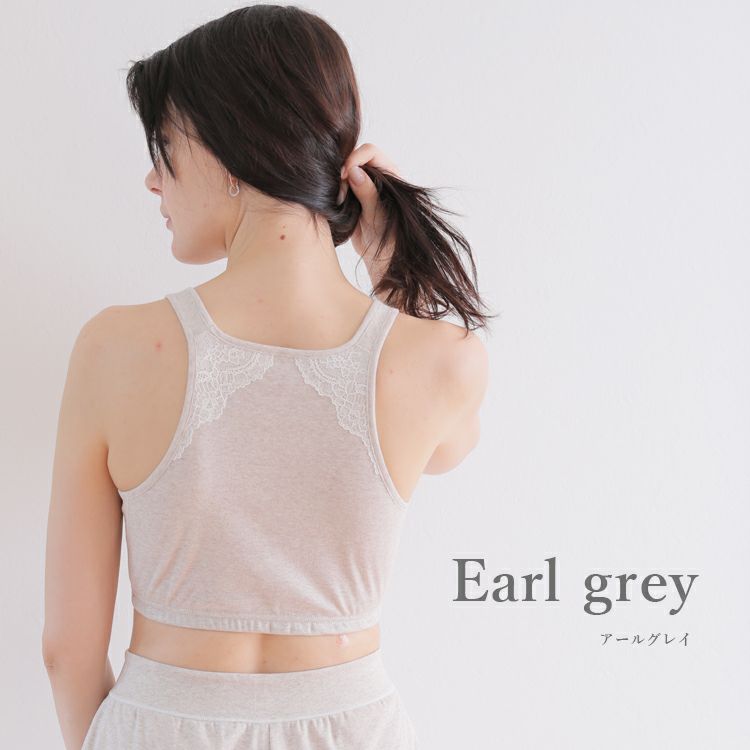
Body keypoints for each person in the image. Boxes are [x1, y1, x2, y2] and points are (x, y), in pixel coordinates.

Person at [42, 5, 493, 748]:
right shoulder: (442, 359)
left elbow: (67, 649)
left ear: (229, 152)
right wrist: (394, 282)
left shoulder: (114, 349)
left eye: (164, 148)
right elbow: (448, 450)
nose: (153, 179)